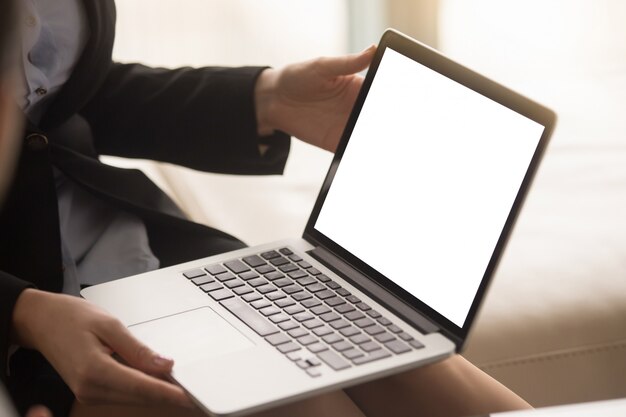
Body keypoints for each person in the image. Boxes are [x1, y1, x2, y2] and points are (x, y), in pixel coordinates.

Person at [0, 1, 533, 417]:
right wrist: (22, 310)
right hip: (41, 328)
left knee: (405, 356)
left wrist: (267, 97)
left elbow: (65, 97)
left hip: (141, 250)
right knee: (307, 396)